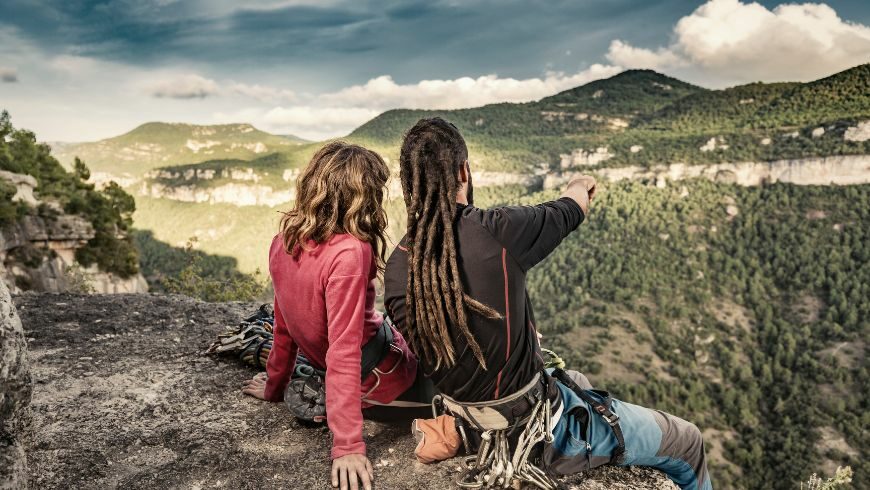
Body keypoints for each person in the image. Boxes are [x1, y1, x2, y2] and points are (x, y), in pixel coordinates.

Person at [384, 117, 712, 490]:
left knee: (580, 380)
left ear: (409, 183)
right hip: (537, 436)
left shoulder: (396, 267)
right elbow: (570, 209)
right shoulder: (497, 229)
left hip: (468, 421)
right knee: (687, 440)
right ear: (463, 170)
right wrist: (578, 185)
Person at [242, 141, 419, 490]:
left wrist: (275, 386)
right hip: (383, 375)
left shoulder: (283, 240)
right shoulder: (351, 252)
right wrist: (348, 446)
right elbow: (343, 351)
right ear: (363, 198)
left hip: (339, 363)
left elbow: (284, 325)